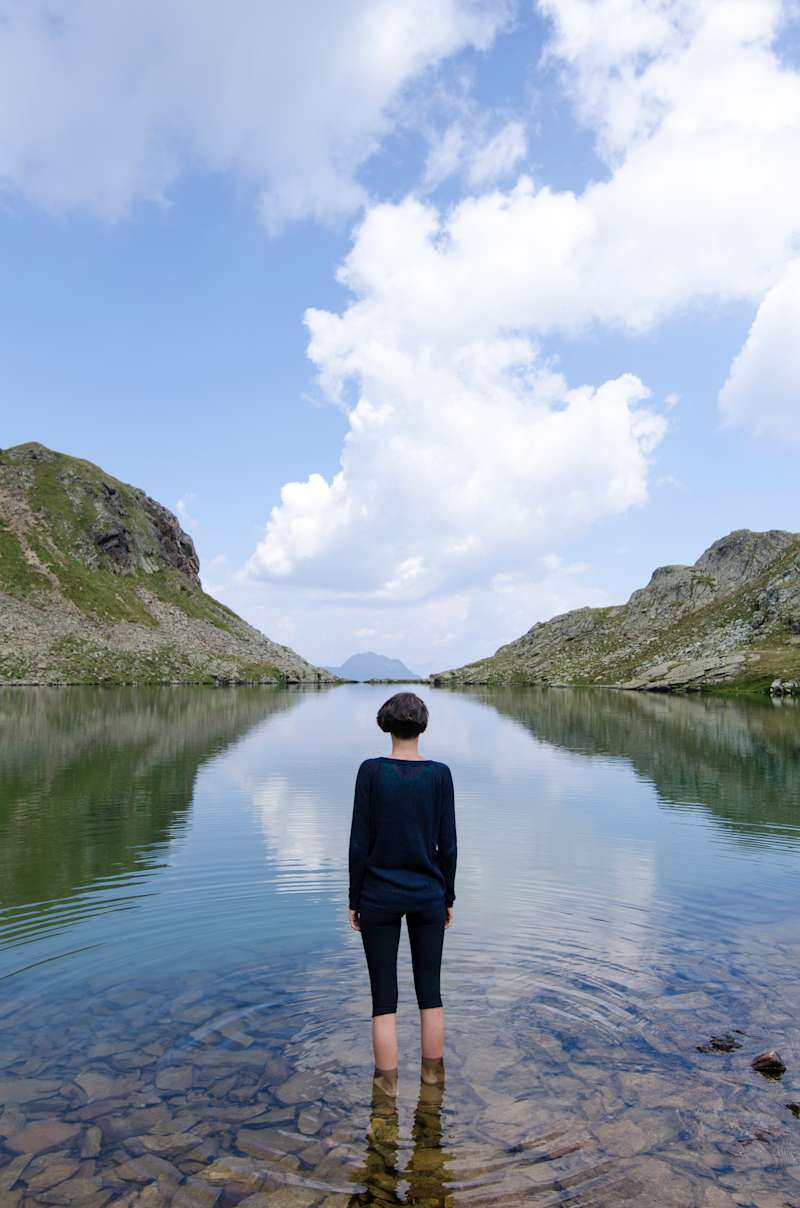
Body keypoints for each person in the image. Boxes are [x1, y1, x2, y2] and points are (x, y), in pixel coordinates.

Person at [347, 691, 457, 1097]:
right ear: (422, 726)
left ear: (386, 725)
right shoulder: (440, 775)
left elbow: (359, 844)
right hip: (428, 894)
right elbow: (449, 845)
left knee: (383, 999)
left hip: (378, 895)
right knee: (430, 994)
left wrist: (355, 899)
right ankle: (432, 1088)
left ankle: (386, 1097)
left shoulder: (370, 772)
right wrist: (447, 896)